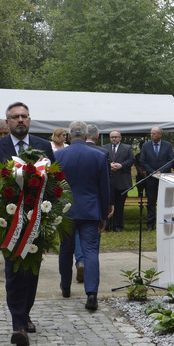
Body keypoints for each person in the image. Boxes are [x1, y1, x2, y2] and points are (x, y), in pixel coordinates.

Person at [0, 101, 56, 346]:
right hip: (9, 221)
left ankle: (25, 313)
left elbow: (56, 179)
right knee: (14, 271)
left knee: (32, 270)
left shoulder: (43, 146)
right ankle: (18, 324)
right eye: (15, 117)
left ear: (30, 120)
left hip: (38, 220)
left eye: (24, 116)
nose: (20, 120)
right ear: (8, 121)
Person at [56, 121, 112, 312]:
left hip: (66, 211)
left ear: (69, 136)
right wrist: (104, 214)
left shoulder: (58, 155)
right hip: (90, 210)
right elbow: (104, 188)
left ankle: (65, 286)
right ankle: (92, 294)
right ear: (87, 135)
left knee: (65, 248)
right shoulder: (98, 155)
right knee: (90, 251)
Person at [139, 126, 174, 228]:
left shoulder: (167, 145)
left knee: (165, 201)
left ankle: (165, 222)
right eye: (151, 133)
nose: (152, 135)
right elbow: (142, 161)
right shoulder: (146, 146)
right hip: (151, 177)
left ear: (160, 134)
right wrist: (152, 171)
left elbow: (171, 160)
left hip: (164, 177)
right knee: (151, 200)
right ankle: (150, 224)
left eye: (154, 133)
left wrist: (161, 171)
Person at [105, 130, 135, 231]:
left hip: (122, 180)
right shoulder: (104, 148)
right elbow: (101, 160)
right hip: (108, 181)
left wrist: (121, 165)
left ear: (120, 137)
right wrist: (109, 166)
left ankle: (117, 226)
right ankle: (106, 225)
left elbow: (132, 160)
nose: (114, 138)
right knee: (107, 204)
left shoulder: (127, 148)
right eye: (112, 137)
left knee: (119, 205)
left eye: (116, 137)